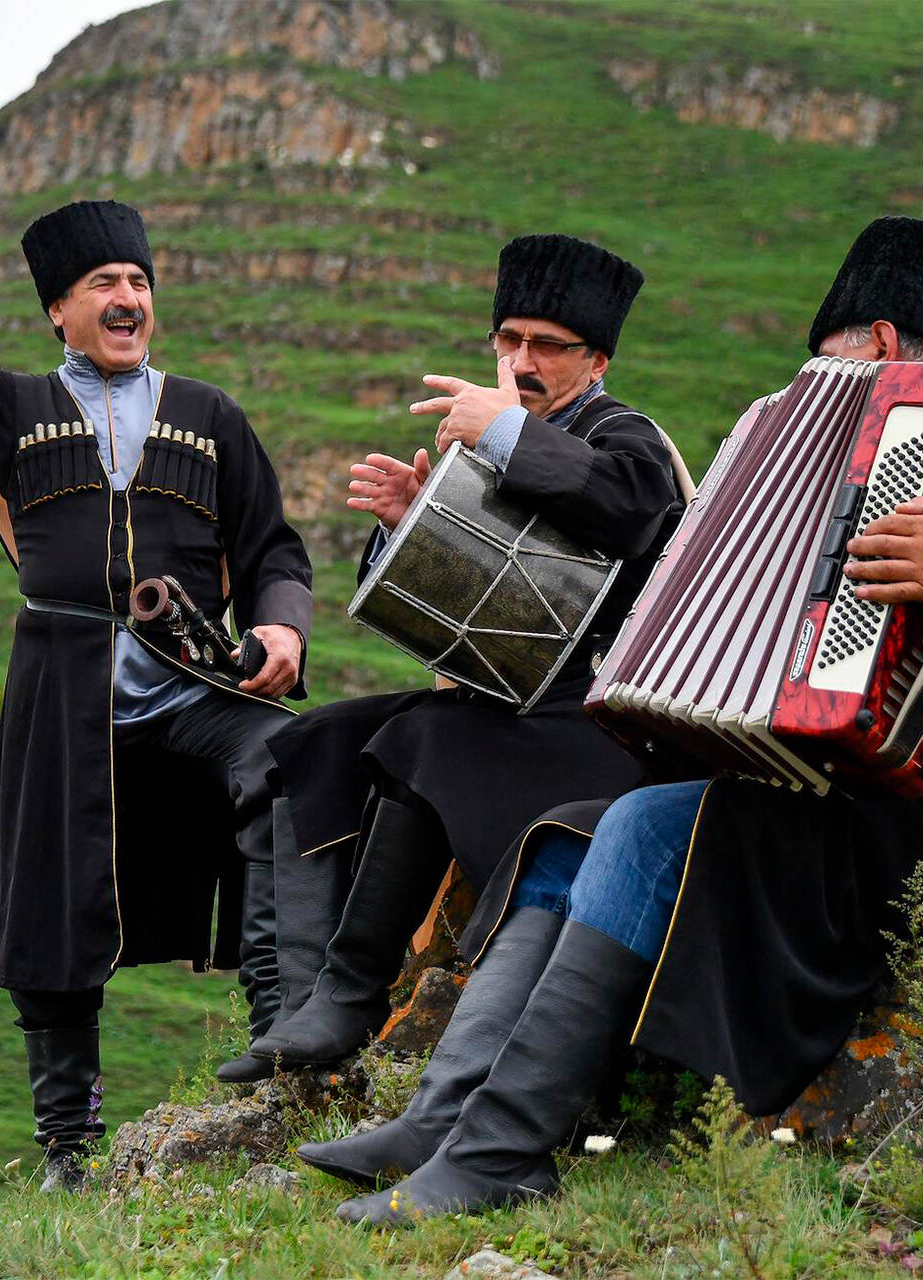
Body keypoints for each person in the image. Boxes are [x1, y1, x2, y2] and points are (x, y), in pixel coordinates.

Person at [301, 214, 923, 1227]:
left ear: (882, 346)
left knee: (632, 824)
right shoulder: (856, 448)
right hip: (807, 792)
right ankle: (451, 1122)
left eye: (831, 364)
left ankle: (499, 1148)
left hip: (883, 818)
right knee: (570, 833)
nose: (813, 387)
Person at [0, 170, 312, 1189]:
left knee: (288, 761)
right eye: (101, 283)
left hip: (192, 690)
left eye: (138, 279)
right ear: (58, 310)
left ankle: (281, 1045)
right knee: (49, 916)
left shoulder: (210, 414)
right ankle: (67, 1148)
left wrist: (280, 629)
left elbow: (276, 549)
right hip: (62, 694)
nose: (127, 298)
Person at [233, 234, 688, 1082]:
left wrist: (508, 429)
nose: (520, 361)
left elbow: (630, 509)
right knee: (305, 746)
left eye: (546, 346)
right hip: (509, 702)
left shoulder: (629, 439)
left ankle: (352, 995)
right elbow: (473, 612)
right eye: (508, 340)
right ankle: (295, 1012)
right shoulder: (493, 445)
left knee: (426, 738)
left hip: (601, 720)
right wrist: (415, 526)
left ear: (596, 360)